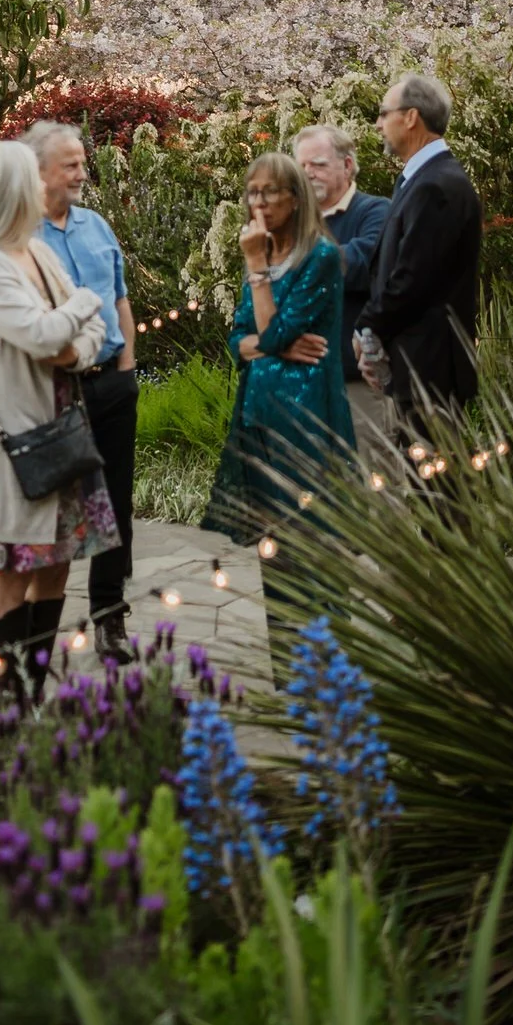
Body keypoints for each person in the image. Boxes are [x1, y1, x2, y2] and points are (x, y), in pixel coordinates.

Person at [0, 139, 112, 707]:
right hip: (15, 450)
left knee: (56, 565)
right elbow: (43, 333)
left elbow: (83, 340)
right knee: (8, 575)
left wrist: (72, 343)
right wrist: (83, 302)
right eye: (32, 178)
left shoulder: (35, 252)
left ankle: (35, 682)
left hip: (65, 437)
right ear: (10, 189)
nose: (43, 187)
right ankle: (6, 698)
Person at [201, 152, 354, 651]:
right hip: (258, 417)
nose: (258, 201)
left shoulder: (321, 257)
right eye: (252, 191)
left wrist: (255, 272)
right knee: (271, 548)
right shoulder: (267, 256)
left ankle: (328, 665)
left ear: (295, 197)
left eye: (269, 191)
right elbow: (239, 339)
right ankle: (287, 670)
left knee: (311, 542)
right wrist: (272, 342)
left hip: (306, 420)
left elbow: (269, 332)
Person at [29, 122, 140, 666]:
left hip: (112, 386)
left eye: (81, 162)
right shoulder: (21, 238)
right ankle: (35, 635)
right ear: (41, 171)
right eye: (69, 164)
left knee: (115, 506)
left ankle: (109, 617)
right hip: (56, 391)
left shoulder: (97, 226)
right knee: (57, 512)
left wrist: (128, 364)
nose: (80, 173)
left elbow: (119, 299)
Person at [355, 74, 482, 435]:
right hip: (415, 367)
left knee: (433, 487)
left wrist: (368, 326)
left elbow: (414, 278)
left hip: (428, 370)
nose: (378, 124)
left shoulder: (436, 186)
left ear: (411, 117)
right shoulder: (421, 180)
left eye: (383, 113)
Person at [293, 126, 392, 434]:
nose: (308, 173)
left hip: (358, 388)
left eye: (319, 164)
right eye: (302, 167)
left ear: (347, 165)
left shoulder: (376, 211)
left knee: (371, 480)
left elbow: (364, 263)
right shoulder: (292, 222)